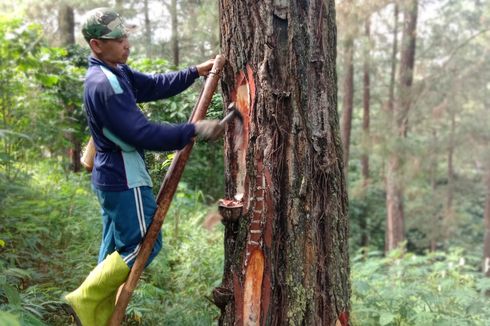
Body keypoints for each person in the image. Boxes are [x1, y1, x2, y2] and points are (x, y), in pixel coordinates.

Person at [64, 7, 224, 325]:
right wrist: (193, 129)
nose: (126, 44)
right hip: (124, 177)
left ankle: (98, 317)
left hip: (111, 176)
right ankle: (85, 297)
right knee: (146, 245)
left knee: (114, 249)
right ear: (96, 45)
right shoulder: (105, 84)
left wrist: (195, 71)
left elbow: (152, 85)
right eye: (118, 39)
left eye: (126, 37)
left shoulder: (113, 72)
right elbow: (143, 133)